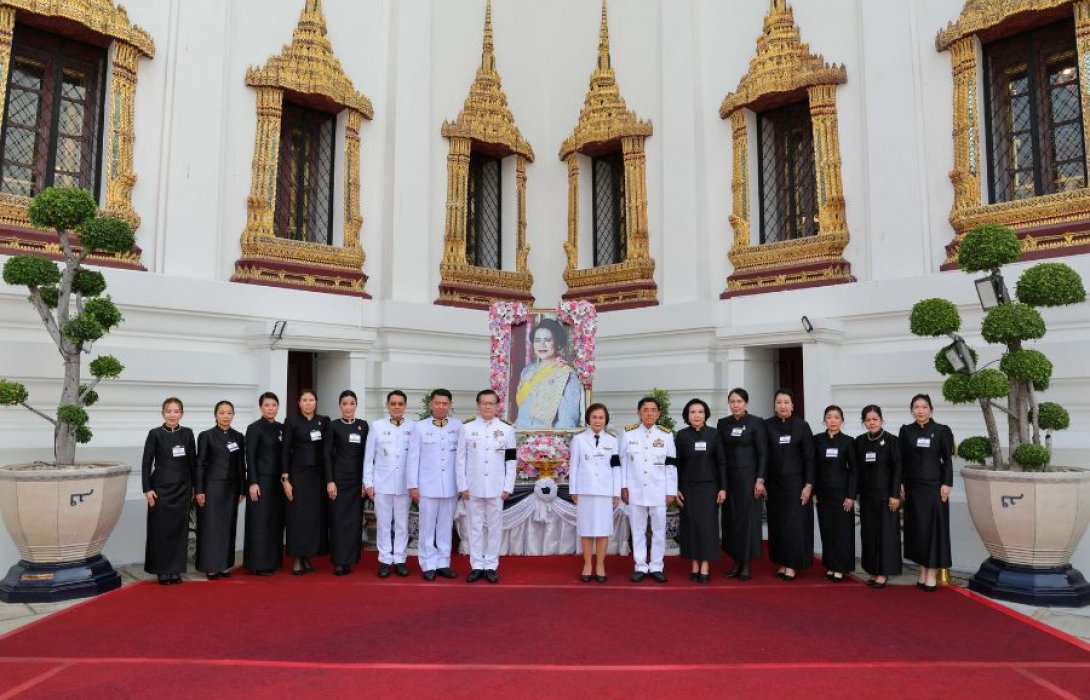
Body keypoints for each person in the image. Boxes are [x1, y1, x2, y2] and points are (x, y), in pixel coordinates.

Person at [456, 389, 516, 583]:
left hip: (496, 488)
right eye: (484, 403)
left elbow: (511, 461)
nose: (487, 406)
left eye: (491, 403)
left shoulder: (507, 430)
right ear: (478, 405)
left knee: (494, 527)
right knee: (474, 527)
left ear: (497, 406)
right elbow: (460, 460)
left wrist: (508, 486)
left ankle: (490, 565)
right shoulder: (467, 428)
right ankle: (476, 565)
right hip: (472, 487)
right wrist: (462, 485)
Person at [899, 394, 954, 592]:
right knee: (918, 532)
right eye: (916, 407)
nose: (920, 410)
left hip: (934, 488)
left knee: (933, 531)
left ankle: (932, 573)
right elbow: (902, 461)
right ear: (912, 410)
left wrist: (947, 483)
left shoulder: (941, 431)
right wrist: (901, 483)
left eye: (924, 406)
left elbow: (947, 460)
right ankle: (922, 571)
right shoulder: (906, 431)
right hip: (913, 489)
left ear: (931, 409)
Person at [407, 389, 463, 581]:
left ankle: (443, 562)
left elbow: (462, 458)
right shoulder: (419, 427)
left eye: (444, 403)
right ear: (431, 404)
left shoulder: (458, 426)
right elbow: (413, 458)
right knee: (427, 526)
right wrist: (412, 485)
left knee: (446, 526)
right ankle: (428, 563)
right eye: (437, 403)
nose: (441, 406)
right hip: (427, 487)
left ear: (450, 405)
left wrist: (462, 485)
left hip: (450, 486)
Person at [621, 397, 678, 583]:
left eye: (653, 410)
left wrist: (671, 490)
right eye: (645, 410)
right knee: (637, 530)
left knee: (659, 530)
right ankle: (640, 566)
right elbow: (622, 464)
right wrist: (623, 486)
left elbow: (671, 465)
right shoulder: (628, 434)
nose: (649, 413)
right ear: (638, 412)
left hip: (658, 490)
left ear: (658, 414)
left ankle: (656, 566)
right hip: (635, 490)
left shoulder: (666, 435)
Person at [142, 397, 197, 585]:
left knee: (179, 531)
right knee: (161, 531)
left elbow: (193, 463)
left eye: (176, 411)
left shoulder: (188, 434)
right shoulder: (155, 434)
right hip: (160, 491)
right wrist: (147, 489)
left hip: (182, 490)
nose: (172, 414)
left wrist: (194, 488)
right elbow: (146, 463)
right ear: (162, 413)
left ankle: (175, 570)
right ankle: (162, 571)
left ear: (182, 413)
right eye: (169, 411)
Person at [714, 387, 767, 581]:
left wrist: (760, 480)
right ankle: (735, 561)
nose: (735, 405)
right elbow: (719, 453)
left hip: (749, 480)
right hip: (729, 480)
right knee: (731, 521)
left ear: (746, 403)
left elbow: (763, 453)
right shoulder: (723, 423)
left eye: (739, 401)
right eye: (732, 401)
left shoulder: (756, 422)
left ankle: (746, 564)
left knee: (747, 522)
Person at [764, 388, 815, 581]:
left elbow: (810, 458)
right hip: (774, 484)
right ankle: (782, 562)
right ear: (774, 405)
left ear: (793, 405)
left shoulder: (802, 426)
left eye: (786, 402)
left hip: (796, 484)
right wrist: (763, 480)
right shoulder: (767, 425)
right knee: (778, 524)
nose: (782, 406)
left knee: (794, 525)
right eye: (779, 402)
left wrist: (809, 485)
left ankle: (792, 565)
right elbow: (764, 454)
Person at [568, 403, 621, 583]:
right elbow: (573, 466)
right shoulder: (579, 440)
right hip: (585, 490)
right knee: (587, 530)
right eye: (594, 417)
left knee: (603, 530)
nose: (598, 420)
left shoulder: (613, 441)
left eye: (601, 417)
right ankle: (587, 564)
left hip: (605, 491)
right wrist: (573, 490)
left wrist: (616, 492)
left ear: (606, 420)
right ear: (588, 419)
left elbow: (616, 468)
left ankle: (600, 564)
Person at [364, 390, 414, 578]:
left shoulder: (412, 427)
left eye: (400, 404)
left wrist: (415, 484)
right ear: (387, 405)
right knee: (384, 524)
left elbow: (416, 457)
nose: (396, 407)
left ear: (405, 406)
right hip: (382, 483)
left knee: (402, 524)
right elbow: (369, 457)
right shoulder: (376, 426)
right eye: (393, 403)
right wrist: (368, 482)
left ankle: (400, 559)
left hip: (404, 484)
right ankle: (385, 559)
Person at [675, 398, 725, 584]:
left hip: (710, 488)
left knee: (707, 527)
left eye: (701, 412)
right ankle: (694, 564)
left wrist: (723, 488)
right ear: (687, 416)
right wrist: (676, 488)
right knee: (691, 527)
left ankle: (705, 566)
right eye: (693, 412)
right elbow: (677, 464)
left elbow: (721, 462)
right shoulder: (681, 436)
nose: (697, 415)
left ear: (706, 415)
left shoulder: (714, 434)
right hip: (688, 488)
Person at [195, 400, 246, 579]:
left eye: (229, 413)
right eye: (222, 413)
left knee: (228, 526)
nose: (226, 416)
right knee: (211, 527)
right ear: (215, 415)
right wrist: (199, 490)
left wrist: (242, 488)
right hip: (211, 487)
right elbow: (200, 464)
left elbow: (241, 464)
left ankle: (224, 565)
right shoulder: (206, 436)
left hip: (232, 488)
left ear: (233, 415)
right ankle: (211, 566)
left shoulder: (238, 436)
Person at [281, 389, 328, 575]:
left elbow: (326, 450)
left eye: (311, 400)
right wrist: (286, 479)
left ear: (316, 402)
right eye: (304, 400)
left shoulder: (323, 421)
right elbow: (284, 451)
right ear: (299, 403)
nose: (308, 403)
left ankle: (308, 555)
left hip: (317, 476)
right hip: (297, 476)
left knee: (312, 518)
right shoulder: (291, 422)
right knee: (297, 517)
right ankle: (297, 559)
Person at [855, 404, 902, 588]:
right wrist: (857, 493)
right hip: (866, 497)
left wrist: (895, 494)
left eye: (875, 419)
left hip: (886, 496)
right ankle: (873, 570)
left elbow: (898, 469)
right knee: (869, 534)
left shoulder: (892, 441)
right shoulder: (860, 442)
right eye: (868, 420)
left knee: (886, 535)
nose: (871, 423)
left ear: (882, 420)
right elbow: (857, 470)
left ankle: (883, 573)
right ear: (863, 422)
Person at [324, 390, 368, 576]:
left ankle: (350, 559)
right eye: (344, 403)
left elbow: (368, 455)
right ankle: (339, 561)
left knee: (354, 522)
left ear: (356, 405)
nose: (348, 407)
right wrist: (330, 481)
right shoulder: (333, 426)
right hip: (339, 481)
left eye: (351, 403)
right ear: (340, 406)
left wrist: (367, 482)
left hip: (357, 482)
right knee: (338, 521)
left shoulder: (363, 426)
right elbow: (326, 455)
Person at [812, 405, 857, 582]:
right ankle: (830, 565)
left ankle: (840, 567)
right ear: (824, 420)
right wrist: (814, 491)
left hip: (842, 494)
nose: (833, 420)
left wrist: (851, 495)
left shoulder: (848, 441)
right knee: (827, 529)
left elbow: (853, 471)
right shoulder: (817, 440)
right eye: (829, 417)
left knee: (842, 531)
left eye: (836, 417)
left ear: (842, 421)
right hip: (823, 494)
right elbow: (813, 467)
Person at [513, 318, 582, 429]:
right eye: (537, 340)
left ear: (557, 343)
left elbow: (567, 421)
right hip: (520, 435)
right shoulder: (527, 371)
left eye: (548, 340)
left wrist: (552, 443)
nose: (542, 345)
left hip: (547, 440)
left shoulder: (566, 374)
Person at [243, 392, 284, 576]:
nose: (270, 408)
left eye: (273, 405)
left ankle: (273, 561)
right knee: (260, 522)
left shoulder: (282, 428)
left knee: (275, 521)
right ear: (261, 407)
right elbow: (249, 457)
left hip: (278, 482)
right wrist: (252, 482)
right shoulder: (254, 428)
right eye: (267, 405)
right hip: (261, 481)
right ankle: (258, 563)